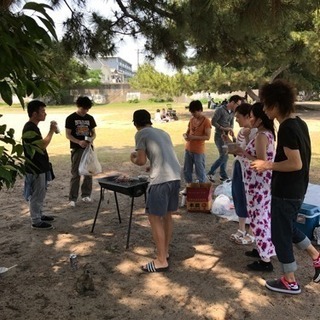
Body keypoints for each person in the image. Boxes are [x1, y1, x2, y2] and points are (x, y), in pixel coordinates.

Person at [252, 79, 320, 294]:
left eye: (265, 104)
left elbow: (295, 163)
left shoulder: (289, 128)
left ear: (275, 104)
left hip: (287, 191)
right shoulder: (299, 122)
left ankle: (290, 281)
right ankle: (317, 257)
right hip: (297, 189)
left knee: (279, 234)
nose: (263, 109)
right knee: (288, 227)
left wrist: (267, 164)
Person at [130, 109, 181, 272]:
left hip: (160, 181)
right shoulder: (163, 132)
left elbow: (141, 160)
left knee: (154, 218)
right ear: (149, 120)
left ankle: (160, 261)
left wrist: (133, 158)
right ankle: (164, 252)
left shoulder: (141, 134)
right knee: (167, 215)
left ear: (135, 124)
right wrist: (153, 165)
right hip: (175, 177)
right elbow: (166, 155)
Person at [235, 102, 276, 271]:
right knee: (261, 218)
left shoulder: (261, 136)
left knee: (259, 220)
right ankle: (262, 250)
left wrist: (242, 153)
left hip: (257, 185)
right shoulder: (265, 134)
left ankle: (265, 261)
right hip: (259, 185)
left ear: (259, 119)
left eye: (251, 116)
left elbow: (260, 162)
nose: (249, 119)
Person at [22, 100, 57, 230]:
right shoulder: (29, 128)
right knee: (37, 194)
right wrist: (51, 131)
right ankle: (36, 220)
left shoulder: (33, 127)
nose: (45, 114)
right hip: (35, 167)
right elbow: (42, 145)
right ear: (34, 113)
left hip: (40, 166)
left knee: (41, 192)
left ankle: (39, 214)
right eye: (42, 111)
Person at [229, 103, 257, 244]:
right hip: (239, 167)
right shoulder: (241, 132)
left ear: (248, 116)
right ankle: (241, 228)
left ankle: (252, 231)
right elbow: (238, 152)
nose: (236, 120)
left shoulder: (257, 132)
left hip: (251, 171)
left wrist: (246, 139)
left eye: (238, 117)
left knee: (251, 200)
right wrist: (228, 143)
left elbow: (253, 154)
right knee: (238, 196)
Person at [65, 96, 97, 207]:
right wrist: (78, 142)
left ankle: (86, 195)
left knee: (88, 172)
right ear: (78, 106)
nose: (86, 111)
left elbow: (93, 133)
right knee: (76, 173)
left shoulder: (90, 118)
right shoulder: (71, 118)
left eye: (87, 109)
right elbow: (68, 134)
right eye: (84, 108)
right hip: (77, 149)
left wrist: (91, 139)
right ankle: (72, 198)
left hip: (88, 149)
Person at [207, 95, 242, 182]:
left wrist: (231, 130)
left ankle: (223, 175)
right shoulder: (220, 110)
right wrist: (223, 128)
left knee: (225, 156)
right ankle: (210, 173)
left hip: (226, 137)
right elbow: (213, 122)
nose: (238, 107)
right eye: (237, 104)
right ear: (232, 102)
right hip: (219, 136)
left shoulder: (232, 112)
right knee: (224, 155)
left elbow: (231, 123)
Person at [181, 100, 211, 192]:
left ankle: (203, 190)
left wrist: (193, 137)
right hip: (188, 149)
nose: (193, 114)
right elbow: (188, 131)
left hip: (198, 150)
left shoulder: (206, 121)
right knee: (187, 170)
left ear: (200, 110)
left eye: (194, 112)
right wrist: (186, 136)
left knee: (200, 172)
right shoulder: (191, 120)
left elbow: (207, 137)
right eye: (191, 112)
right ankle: (189, 187)